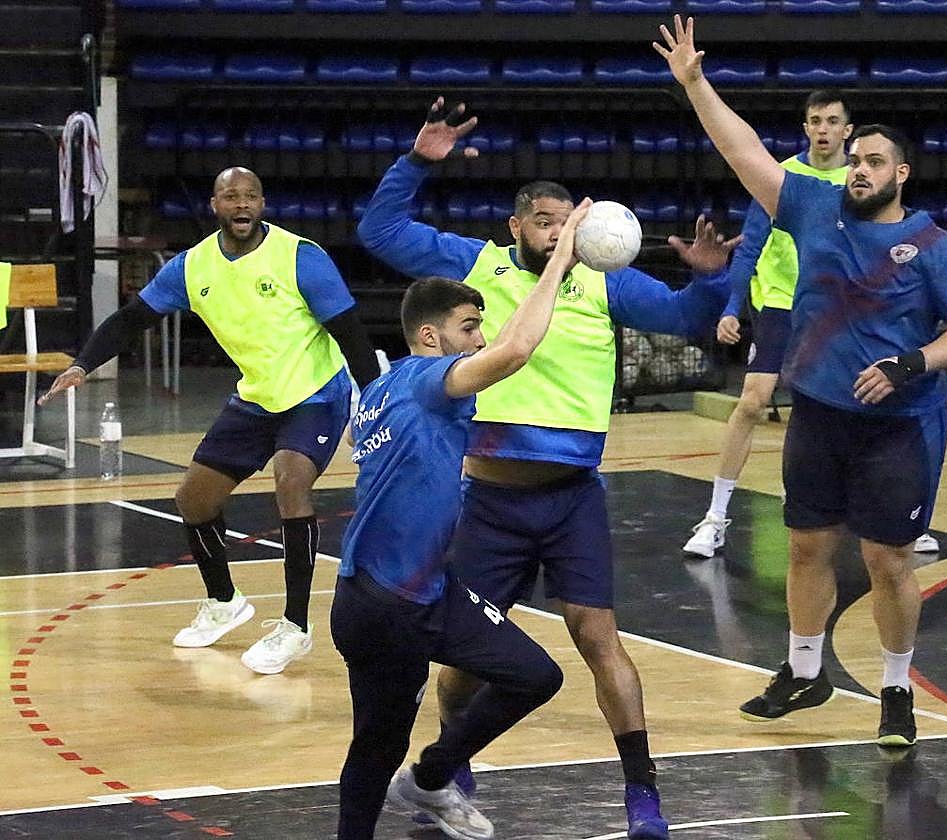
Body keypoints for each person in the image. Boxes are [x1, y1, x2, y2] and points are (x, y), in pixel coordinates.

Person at [356, 97, 736, 839]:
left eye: (568, 224)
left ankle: (643, 796)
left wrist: (712, 279)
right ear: (517, 226)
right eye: (544, 223)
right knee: (461, 663)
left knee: (599, 638)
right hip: (490, 501)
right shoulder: (476, 266)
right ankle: (450, 773)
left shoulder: (607, 283)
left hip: (572, 499)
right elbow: (380, 231)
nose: (558, 235)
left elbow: (690, 320)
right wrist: (418, 162)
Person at [655, 17, 947, 746]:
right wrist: (695, 84)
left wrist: (914, 362)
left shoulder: (935, 246)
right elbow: (741, 149)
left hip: (899, 425)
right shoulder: (813, 206)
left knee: (887, 560)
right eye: (856, 160)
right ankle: (804, 671)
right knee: (807, 547)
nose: (861, 170)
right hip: (817, 411)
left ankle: (896, 688)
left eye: (875, 160)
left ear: (902, 173)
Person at [40, 167, 379, 675]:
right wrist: (82, 364)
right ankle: (225, 601)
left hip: (315, 392)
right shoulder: (190, 267)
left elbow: (351, 335)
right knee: (193, 500)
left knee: (291, 481)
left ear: (262, 204)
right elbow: (133, 318)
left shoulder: (301, 258)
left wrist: (375, 403)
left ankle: (295, 626)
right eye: (230, 196)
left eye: (250, 196)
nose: (241, 204)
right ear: (215, 205)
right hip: (256, 395)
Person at [332, 201, 591, 840]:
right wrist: (559, 261)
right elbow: (517, 350)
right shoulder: (424, 379)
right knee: (374, 748)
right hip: (386, 604)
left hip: (425, 591)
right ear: (429, 336)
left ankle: (432, 776)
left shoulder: (382, 390)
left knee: (533, 675)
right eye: (470, 327)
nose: (478, 338)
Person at [684, 88, 854, 559]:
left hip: (835, 311)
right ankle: (715, 517)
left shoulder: (860, 182)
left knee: (836, 412)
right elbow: (752, 243)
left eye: (832, 121)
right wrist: (732, 306)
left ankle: (885, 519)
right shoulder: (780, 179)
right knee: (752, 403)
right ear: (806, 128)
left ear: (848, 130)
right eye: (815, 120)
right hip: (780, 306)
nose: (823, 129)